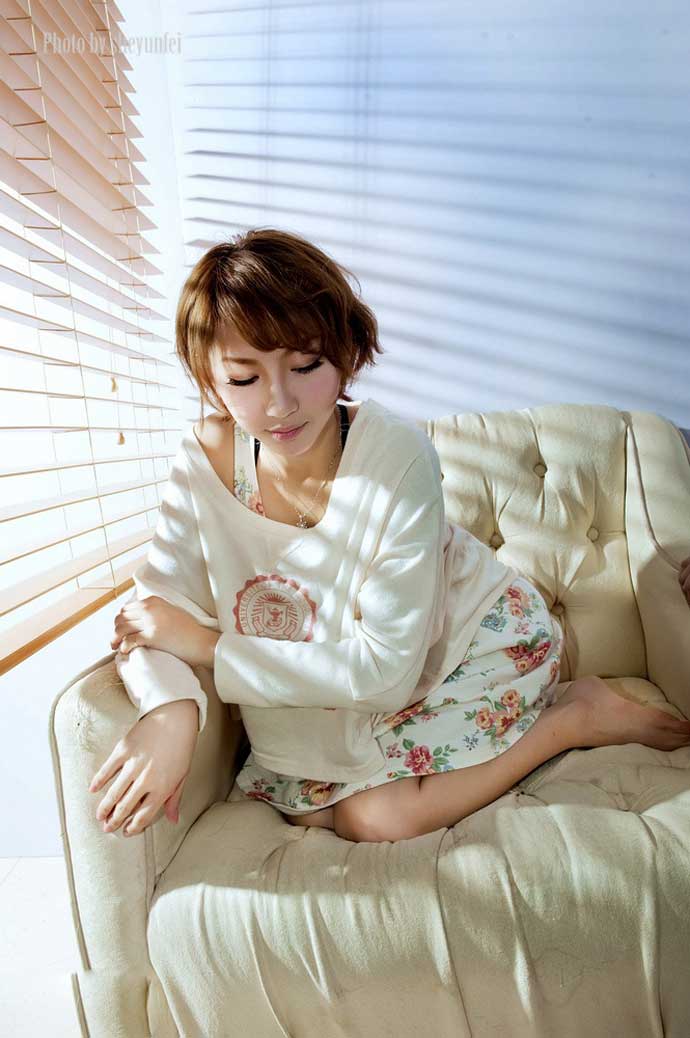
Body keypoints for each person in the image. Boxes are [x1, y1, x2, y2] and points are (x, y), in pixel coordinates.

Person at [88, 228, 690, 844]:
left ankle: (572, 719)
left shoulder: (398, 457)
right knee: (312, 811)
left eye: (306, 366)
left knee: (375, 819)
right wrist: (170, 709)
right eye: (244, 379)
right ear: (209, 380)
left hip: (470, 642)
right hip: (346, 683)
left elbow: (385, 672)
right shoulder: (205, 463)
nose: (279, 404)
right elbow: (152, 615)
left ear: (344, 355)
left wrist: (209, 647)